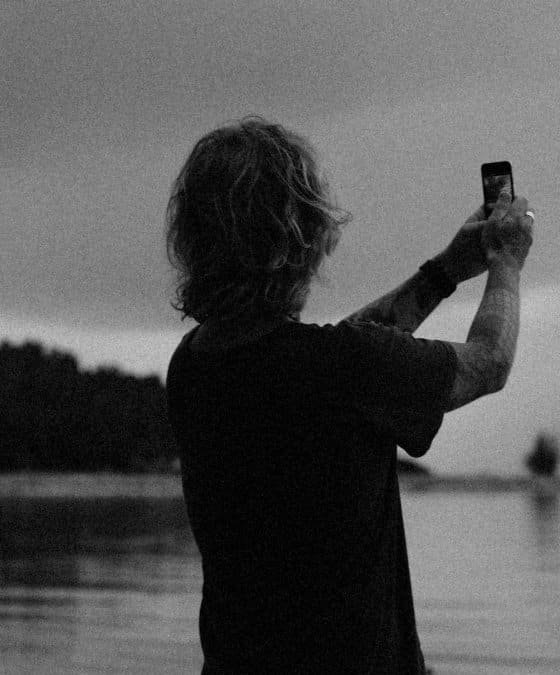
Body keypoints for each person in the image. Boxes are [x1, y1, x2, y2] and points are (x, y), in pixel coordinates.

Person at [164, 116, 533, 674]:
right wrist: (505, 262)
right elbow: (489, 363)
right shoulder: (337, 370)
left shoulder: (194, 365)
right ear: (295, 235)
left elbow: (341, 353)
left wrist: (447, 270)